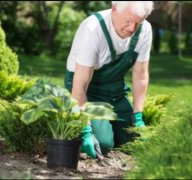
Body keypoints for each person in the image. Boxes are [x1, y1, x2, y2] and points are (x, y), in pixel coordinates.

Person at [65, 1, 153, 159]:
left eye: (138, 22)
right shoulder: (93, 29)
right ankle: (72, 123)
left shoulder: (145, 29)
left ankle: (112, 128)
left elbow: (140, 75)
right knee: (104, 144)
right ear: (114, 9)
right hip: (86, 89)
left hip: (115, 91)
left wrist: (138, 116)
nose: (132, 28)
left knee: (135, 141)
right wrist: (85, 129)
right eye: (127, 21)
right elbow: (80, 86)